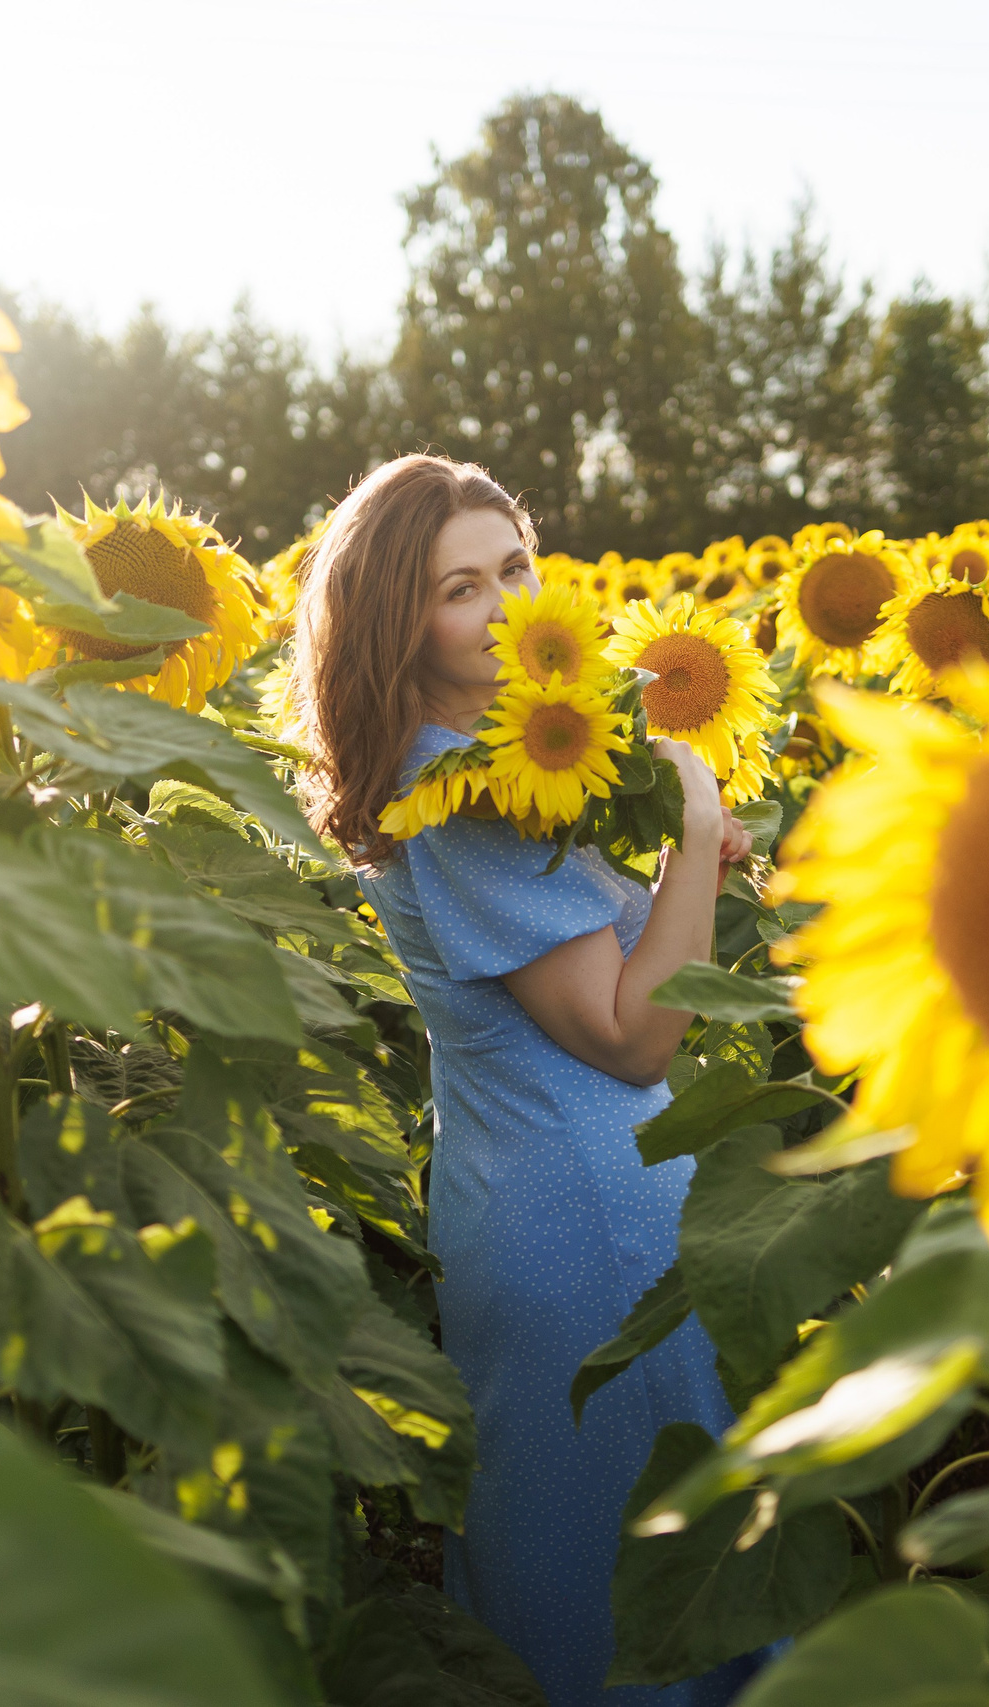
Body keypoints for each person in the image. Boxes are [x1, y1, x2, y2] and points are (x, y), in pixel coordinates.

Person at [287, 455, 761, 1707]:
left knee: (576, 1550)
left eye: (515, 568)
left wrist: (670, 869)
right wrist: (697, 823)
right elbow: (629, 1035)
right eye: (460, 587)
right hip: (588, 1216)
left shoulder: (484, 763)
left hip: (528, 1189)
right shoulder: (459, 794)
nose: (504, 608)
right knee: (634, 1590)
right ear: (398, 620)